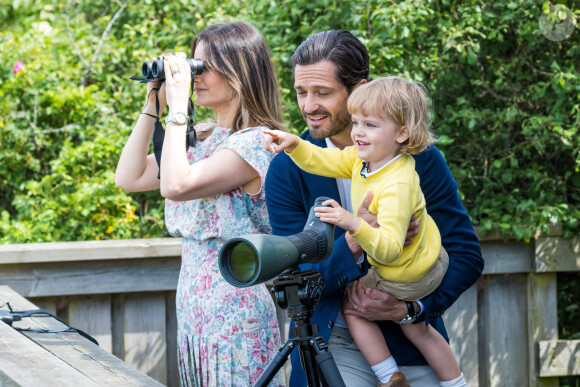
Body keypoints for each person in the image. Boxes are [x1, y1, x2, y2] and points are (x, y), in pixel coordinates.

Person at [264, 30, 484, 387]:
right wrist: (355, 240)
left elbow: (466, 254)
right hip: (329, 344)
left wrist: (410, 311)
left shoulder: (420, 159)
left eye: (322, 92)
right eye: (301, 92)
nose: (307, 106)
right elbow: (293, 278)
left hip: (412, 341)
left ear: (359, 89)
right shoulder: (289, 167)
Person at [115, 22, 286, 386]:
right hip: (194, 315)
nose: (195, 77)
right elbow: (128, 178)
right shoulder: (204, 137)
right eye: (194, 66)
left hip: (236, 319)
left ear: (240, 72)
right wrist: (153, 106)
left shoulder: (255, 143)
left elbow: (175, 185)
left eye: (204, 67)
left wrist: (178, 109)